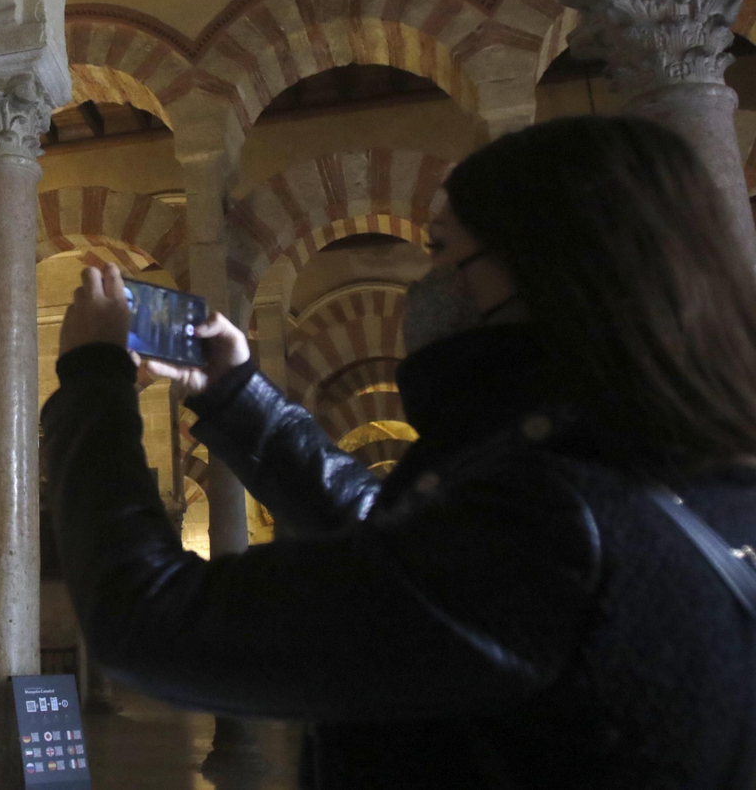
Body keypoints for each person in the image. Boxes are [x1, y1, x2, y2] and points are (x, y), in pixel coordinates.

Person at [42, 115, 756, 790]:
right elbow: (400, 545)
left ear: (536, 266)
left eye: (443, 248)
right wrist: (235, 394)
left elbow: (150, 620)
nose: (427, 277)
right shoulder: (665, 475)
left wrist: (93, 379)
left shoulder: (558, 527)